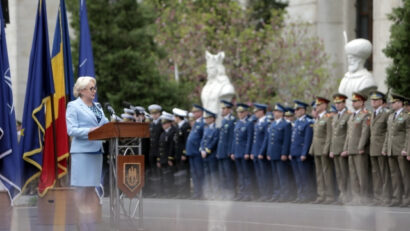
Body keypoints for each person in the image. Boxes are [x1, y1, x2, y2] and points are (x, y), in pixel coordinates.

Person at [66, 77, 109, 215]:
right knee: (82, 187)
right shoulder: (73, 106)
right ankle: (78, 217)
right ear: (82, 90)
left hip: (96, 151)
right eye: (91, 88)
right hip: (82, 152)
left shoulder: (98, 107)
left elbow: (106, 125)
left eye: (95, 88)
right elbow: (71, 130)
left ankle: (90, 217)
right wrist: (90, 131)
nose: (94, 91)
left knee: (91, 187)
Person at [341, 92, 370, 205]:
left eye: (355, 101)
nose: (353, 103)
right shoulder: (353, 115)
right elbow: (349, 134)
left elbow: (365, 132)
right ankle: (356, 197)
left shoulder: (366, 115)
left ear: (362, 102)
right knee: (353, 175)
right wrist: (346, 148)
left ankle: (364, 197)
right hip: (351, 149)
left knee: (361, 174)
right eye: (352, 101)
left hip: (359, 149)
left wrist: (361, 146)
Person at [261, 103, 294, 202]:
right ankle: (277, 193)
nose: (275, 113)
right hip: (273, 153)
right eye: (275, 112)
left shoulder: (286, 124)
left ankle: (285, 194)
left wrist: (284, 153)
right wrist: (268, 153)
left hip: (280, 153)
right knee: (275, 175)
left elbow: (286, 141)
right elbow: (269, 140)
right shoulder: (272, 124)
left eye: (278, 112)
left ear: (282, 113)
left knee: (282, 175)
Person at [382, 93, 410, 207]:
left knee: (405, 175)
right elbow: (388, 134)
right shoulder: (390, 116)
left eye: (394, 102)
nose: (391, 104)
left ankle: (407, 198)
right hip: (391, 149)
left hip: (401, 149)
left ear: (400, 103)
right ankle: (397, 197)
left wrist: (407, 149)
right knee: (394, 175)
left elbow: (409, 134)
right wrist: (385, 147)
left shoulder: (407, 116)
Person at [310, 97, 336, 204]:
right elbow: (315, 136)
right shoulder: (318, 118)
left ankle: (330, 196)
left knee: (326, 173)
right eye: (316, 105)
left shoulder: (328, 117)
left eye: (319, 105)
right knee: (319, 173)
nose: (317, 107)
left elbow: (329, 135)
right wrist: (312, 149)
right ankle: (321, 194)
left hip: (323, 148)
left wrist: (327, 149)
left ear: (325, 106)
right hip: (317, 148)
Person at [289, 100, 316, 203]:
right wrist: (291, 153)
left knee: (305, 177)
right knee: (298, 177)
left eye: (297, 109)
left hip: (302, 154)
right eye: (295, 109)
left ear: (303, 110)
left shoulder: (308, 123)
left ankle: (308, 195)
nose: (295, 111)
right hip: (295, 153)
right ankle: (301, 195)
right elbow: (293, 139)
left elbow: (307, 140)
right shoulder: (296, 122)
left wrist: (304, 153)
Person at [368, 91, 391, 206]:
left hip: (382, 147)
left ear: (382, 101)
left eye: (376, 100)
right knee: (375, 173)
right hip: (373, 148)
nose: (373, 102)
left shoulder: (386, 113)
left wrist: (385, 147)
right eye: (372, 100)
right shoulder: (373, 114)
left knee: (384, 173)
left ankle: (386, 197)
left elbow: (388, 132)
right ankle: (377, 197)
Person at [329, 93, 351, 204]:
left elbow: (348, 134)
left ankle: (348, 195)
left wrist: (346, 148)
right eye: (336, 103)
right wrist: (332, 149)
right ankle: (342, 194)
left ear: (344, 103)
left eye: (339, 103)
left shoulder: (348, 115)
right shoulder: (336, 116)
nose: (337, 105)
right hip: (336, 149)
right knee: (339, 174)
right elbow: (334, 135)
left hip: (343, 149)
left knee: (345, 173)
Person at [230, 103, 254, 201]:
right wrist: (232, 152)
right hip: (237, 152)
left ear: (246, 112)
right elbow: (234, 139)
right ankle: (241, 193)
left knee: (246, 174)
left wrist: (247, 152)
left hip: (244, 152)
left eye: (242, 112)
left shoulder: (249, 123)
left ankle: (247, 194)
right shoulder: (238, 123)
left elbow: (249, 139)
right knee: (240, 174)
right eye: (238, 112)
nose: (240, 114)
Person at [216, 100, 236, 199]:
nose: (222, 111)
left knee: (229, 174)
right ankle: (223, 193)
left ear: (229, 109)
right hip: (221, 151)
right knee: (222, 174)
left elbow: (232, 138)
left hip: (227, 152)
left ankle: (230, 193)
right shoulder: (222, 121)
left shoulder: (232, 121)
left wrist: (230, 151)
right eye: (222, 108)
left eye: (224, 109)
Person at [251, 103, 271, 201]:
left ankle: (267, 194)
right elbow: (255, 140)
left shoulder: (266, 122)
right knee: (259, 175)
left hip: (261, 153)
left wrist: (261, 152)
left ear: (262, 112)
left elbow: (265, 140)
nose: (255, 113)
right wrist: (253, 152)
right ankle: (262, 193)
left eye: (257, 111)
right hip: (256, 152)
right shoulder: (257, 122)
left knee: (264, 175)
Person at [186, 104, 206, 199]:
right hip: (191, 152)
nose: (194, 114)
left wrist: (201, 148)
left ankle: (201, 193)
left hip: (197, 152)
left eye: (196, 112)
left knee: (199, 173)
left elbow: (203, 137)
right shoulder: (196, 123)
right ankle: (196, 192)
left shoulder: (203, 123)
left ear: (201, 112)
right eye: (193, 112)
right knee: (194, 174)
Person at [200, 108, 219, 199]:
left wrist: (207, 150)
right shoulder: (206, 128)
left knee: (213, 175)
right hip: (204, 155)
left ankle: (215, 193)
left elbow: (214, 141)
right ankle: (208, 193)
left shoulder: (216, 128)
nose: (206, 120)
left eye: (208, 118)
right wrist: (202, 149)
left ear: (213, 118)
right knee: (207, 175)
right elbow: (203, 140)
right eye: (205, 118)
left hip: (211, 155)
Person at [172, 108, 191, 198]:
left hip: (182, 154)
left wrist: (184, 153)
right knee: (179, 173)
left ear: (178, 117)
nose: (174, 118)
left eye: (175, 116)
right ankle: (180, 192)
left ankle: (185, 192)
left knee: (183, 173)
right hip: (177, 154)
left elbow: (186, 141)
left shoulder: (185, 127)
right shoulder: (178, 127)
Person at [158, 112, 177, 198]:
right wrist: (159, 159)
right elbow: (160, 147)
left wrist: (170, 158)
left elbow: (171, 146)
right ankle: (166, 192)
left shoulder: (172, 132)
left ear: (169, 123)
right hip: (163, 158)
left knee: (170, 176)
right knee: (164, 176)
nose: (163, 125)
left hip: (168, 158)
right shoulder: (163, 133)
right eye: (162, 123)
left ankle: (171, 192)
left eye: (165, 123)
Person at [147, 104, 163, 197]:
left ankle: (160, 191)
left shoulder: (161, 123)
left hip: (159, 151)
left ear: (159, 113)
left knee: (159, 172)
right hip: (152, 151)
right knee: (153, 172)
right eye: (152, 114)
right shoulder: (151, 124)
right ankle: (155, 190)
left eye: (156, 113)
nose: (154, 115)